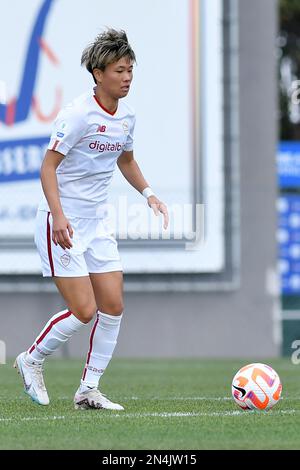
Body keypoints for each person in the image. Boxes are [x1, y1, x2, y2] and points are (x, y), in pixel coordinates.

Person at [14, 28, 169, 410]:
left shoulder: (127, 116)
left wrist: (149, 194)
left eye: (130, 69)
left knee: (113, 305)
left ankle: (88, 389)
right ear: (98, 74)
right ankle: (31, 359)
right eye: (119, 70)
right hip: (60, 223)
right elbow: (48, 168)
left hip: (97, 224)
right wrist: (60, 217)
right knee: (84, 311)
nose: (127, 77)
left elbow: (126, 160)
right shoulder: (78, 114)